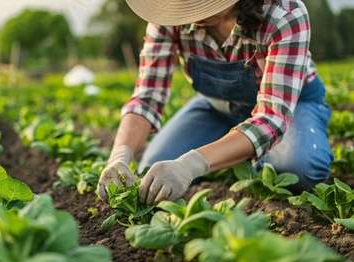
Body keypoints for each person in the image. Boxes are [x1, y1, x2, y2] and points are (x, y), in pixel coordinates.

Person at [97, 0, 333, 206]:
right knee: (152, 170)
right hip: (217, 107)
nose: (193, 11)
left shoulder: (285, 15)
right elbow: (147, 97)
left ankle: (248, 156)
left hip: (289, 107)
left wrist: (190, 165)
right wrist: (119, 155)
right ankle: (233, 151)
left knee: (300, 170)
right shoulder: (168, 16)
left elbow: (271, 118)